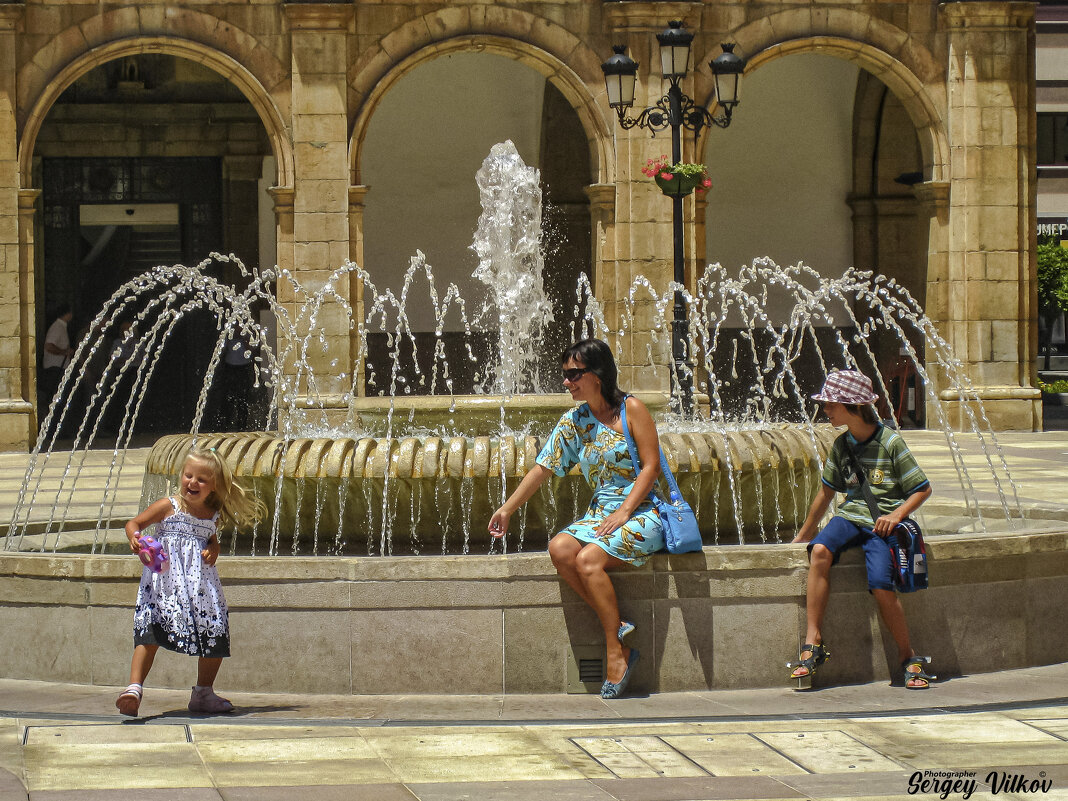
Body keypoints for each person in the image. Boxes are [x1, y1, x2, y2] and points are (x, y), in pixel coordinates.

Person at [488, 339, 665, 699]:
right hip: (601, 513)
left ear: (596, 375)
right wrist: (508, 509)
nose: (566, 383)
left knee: (587, 560)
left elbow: (651, 466)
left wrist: (625, 510)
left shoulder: (632, 410)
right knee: (559, 548)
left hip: (641, 510)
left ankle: (616, 651)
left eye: (573, 375)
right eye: (565, 375)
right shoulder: (575, 421)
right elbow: (543, 468)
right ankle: (617, 625)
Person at [788, 370, 935, 689]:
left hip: (882, 524)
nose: (825, 410)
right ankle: (812, 642)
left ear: (852, 406)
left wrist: (896, 515)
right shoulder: (842, 445)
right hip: (850, 517)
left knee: (882, 586)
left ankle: (908, 656)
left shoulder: (890, 442)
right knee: (821, 551)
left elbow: (922, 488)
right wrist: (803, 535)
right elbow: (826, 493)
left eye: (830, 404)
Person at [116, 447, 265, 717]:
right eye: (188, 475)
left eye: (201, 479)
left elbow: (211, 540)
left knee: (214, 628)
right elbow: (134, 522)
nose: (192, 483)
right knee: (149, 633)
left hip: (200, 586)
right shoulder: (168, 506)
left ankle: (204, 693)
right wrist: (135, 538)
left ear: (214, 486)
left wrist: (214, 549)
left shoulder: (212, 515)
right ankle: (133, 689)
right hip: (165, 584)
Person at [39, 304, 74, 413]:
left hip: (59, 367)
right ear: (67, 314)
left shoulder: (61, 327)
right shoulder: (57, 327)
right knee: (55, 397)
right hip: (55, 368)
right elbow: (49, 346)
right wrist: (64, 352)